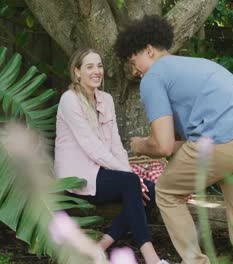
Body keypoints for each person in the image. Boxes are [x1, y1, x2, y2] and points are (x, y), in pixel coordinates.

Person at [114, 15, 233, 263]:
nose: (134, 72)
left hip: (220, 144)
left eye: (134, 62)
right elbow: (183, 143)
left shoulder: (153, 77)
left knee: (166, 192)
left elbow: (163, 145)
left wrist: (140, 144)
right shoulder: (198, 65)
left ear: (149, 50)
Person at [54, 47, 168, 264]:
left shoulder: (105, 99)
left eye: (99, 66)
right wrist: (131, 177)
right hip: (78, 176)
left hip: (102, 172)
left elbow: (115, 144)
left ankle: (100, 247)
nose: (97, 71)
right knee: (132, 184)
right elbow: (91, 147)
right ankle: (151, 257)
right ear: (77, 72)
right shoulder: (69, 100)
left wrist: (131, 176)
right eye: (89, 66)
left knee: (151, 191)